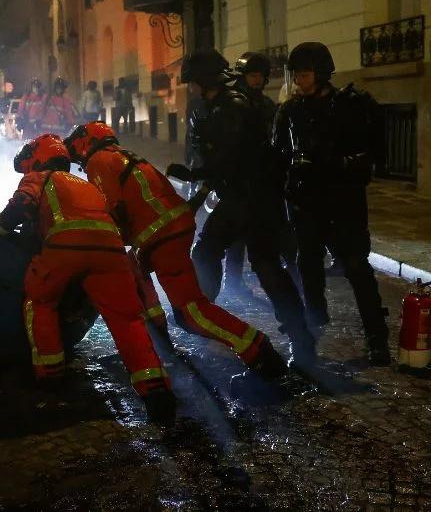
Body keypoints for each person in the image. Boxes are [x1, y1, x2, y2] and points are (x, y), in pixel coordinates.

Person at [65, 122, 287, 380]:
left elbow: (113, 212)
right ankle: (159, 341)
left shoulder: (98, 161)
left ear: (85, 142)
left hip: (160, 235)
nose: (80, 162)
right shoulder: (122, 156)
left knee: (191, 313)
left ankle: (259, 353)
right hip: (169, 229)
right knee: (136, 271)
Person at [0, 135, 175, 424]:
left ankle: (50, 379)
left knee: (40, 301)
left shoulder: (40, 177)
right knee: (127, 321)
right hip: (111, 251)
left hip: (66, 247)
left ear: (38, 157)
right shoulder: (86, 185)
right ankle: (156, 393)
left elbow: (21, 205)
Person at [165, 51, 318, 369]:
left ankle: (299, 337)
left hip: (254, 198)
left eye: (192, 82)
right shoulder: (221, 105)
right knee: (209, 252)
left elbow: (229, 158)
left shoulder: (230, 107)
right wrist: (200, 192)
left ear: (203, 81)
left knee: (264, 266)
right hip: (241, 196)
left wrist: (195, 177)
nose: (191, 88)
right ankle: (201, 312)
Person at [273, 42, 390, 365]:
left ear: (322, 74)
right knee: (308, 269)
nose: (299, 79)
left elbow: (372, 154)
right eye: (296, 73)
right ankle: (312, 330)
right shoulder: (291, 110)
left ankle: (377, 338)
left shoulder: (352, 106)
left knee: (357, 268)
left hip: (343, 203)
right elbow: (277, 155)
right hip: (306, 203)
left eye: (306, 73)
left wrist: (333, 163)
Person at [221, 52, 301, 299]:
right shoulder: (232, 104)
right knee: (237, 236)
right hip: (241, 180)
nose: (256, 80)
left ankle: (294, 280)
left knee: (279, 231)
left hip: (266, 179)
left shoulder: (266, 105)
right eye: (252, 75)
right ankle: (232, 281)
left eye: (259, 76)